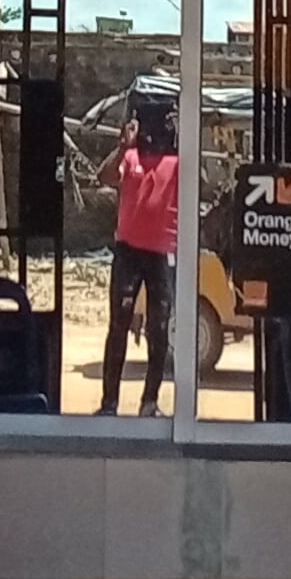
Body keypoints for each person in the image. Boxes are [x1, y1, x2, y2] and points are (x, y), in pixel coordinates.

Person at [98, 89, 181, 416]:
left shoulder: (179, 161)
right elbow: (105, 176)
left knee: (159, 329)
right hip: (129, 251)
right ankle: (109, 403)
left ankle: (149, 402)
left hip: (162, 253)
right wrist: (123, 146)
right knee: (119, 321)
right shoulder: (130, 156)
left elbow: (199, 184)